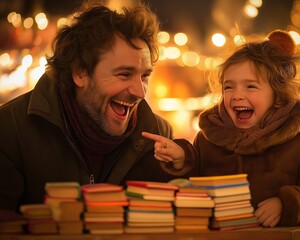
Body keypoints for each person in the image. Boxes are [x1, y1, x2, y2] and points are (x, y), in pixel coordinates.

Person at [143, 30, 300, 227]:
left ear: (278, 95)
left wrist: (288, 204)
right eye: (228, 86)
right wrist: (183, 159)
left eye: (250, 86)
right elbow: (194, 191)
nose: (236, 95)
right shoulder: (209, 139)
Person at [0, 3, 197, 212]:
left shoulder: (159, 134)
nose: (140, 92)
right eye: (124, 74)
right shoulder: (10, 130)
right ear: (80, 73)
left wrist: (182, 170)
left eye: (144, 76)